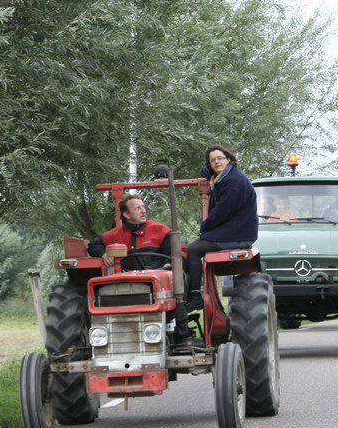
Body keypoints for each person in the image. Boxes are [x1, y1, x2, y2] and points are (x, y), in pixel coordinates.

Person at [88, 194, 196, 343]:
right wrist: (103, 253)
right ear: (126, 214)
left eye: (143, 207)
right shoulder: (115, 234)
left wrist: (168, 265)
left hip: (160, 277)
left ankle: (182, 333)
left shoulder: (160, 230)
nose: (143, 211)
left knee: (179, 280)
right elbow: (93, 245)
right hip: (129, 280)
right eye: (137, 208)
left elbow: (179, 252)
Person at [185, 145, 258, 310]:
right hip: (235, 230)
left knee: (192, 250)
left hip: (237, 233)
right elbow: (206, 171)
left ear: (229, 159)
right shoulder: (226, 176)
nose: (217, 162)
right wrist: (210, 173)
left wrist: (205, 227)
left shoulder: (232, 182)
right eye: (213, 160)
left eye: (220, 158)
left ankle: (195, 296)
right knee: (195, 247)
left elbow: (221, 212)